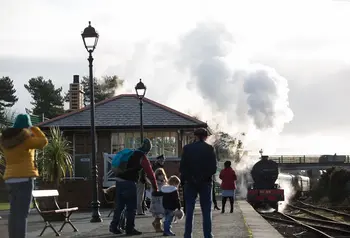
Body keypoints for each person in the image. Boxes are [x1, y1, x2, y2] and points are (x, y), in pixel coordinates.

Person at [0, 114, 48, 238]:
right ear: (26, 126)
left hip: (10, 179)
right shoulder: (26, 140)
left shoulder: (4, 141)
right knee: (22, 214)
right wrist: (34, 128)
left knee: (14, 212)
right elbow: (43, 142)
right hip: (24, 178)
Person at [109, 138, 158, 236]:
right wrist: (155, 187)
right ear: (147, 150)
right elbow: (150, 173)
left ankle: (114, 227)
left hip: (118, 181)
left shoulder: (131, 153)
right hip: (129, 182)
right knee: (131, 207)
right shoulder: (142, 156)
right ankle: (129, 229)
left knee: (119, 206)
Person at [180, 128, 217, 238]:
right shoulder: (209, 148)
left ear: (195, 136)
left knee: (189, 209)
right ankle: (207, 234)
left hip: (190, 182)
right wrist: (202, 177)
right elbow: (213, 168)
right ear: (206, 137)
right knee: (206, 210)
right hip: (205, 182)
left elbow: (182, 168)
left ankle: (188, 234)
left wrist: (191, 178)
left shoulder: (187, 148)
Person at [150, 167, 168, 233]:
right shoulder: (155, 183)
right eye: (159, 174)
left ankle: (155, 223)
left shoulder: (164, 182)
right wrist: (162, 192)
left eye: (162, 174)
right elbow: (154, 193)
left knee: (162, 215)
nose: (161, 176)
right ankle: (157, 227)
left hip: (163, 202)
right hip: (156, 202)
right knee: (158, 215)